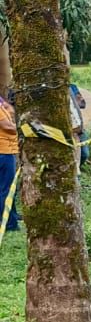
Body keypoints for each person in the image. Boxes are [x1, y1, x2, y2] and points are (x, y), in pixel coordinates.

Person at [0, 92, 20, 233]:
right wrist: (23, 130)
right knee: (6, 190)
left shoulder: (2, 105)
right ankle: (9, 224)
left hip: (7, 151)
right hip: (4, 152)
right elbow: (7, 126)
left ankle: (11, 217)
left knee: (8, 188)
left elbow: (10, 110)